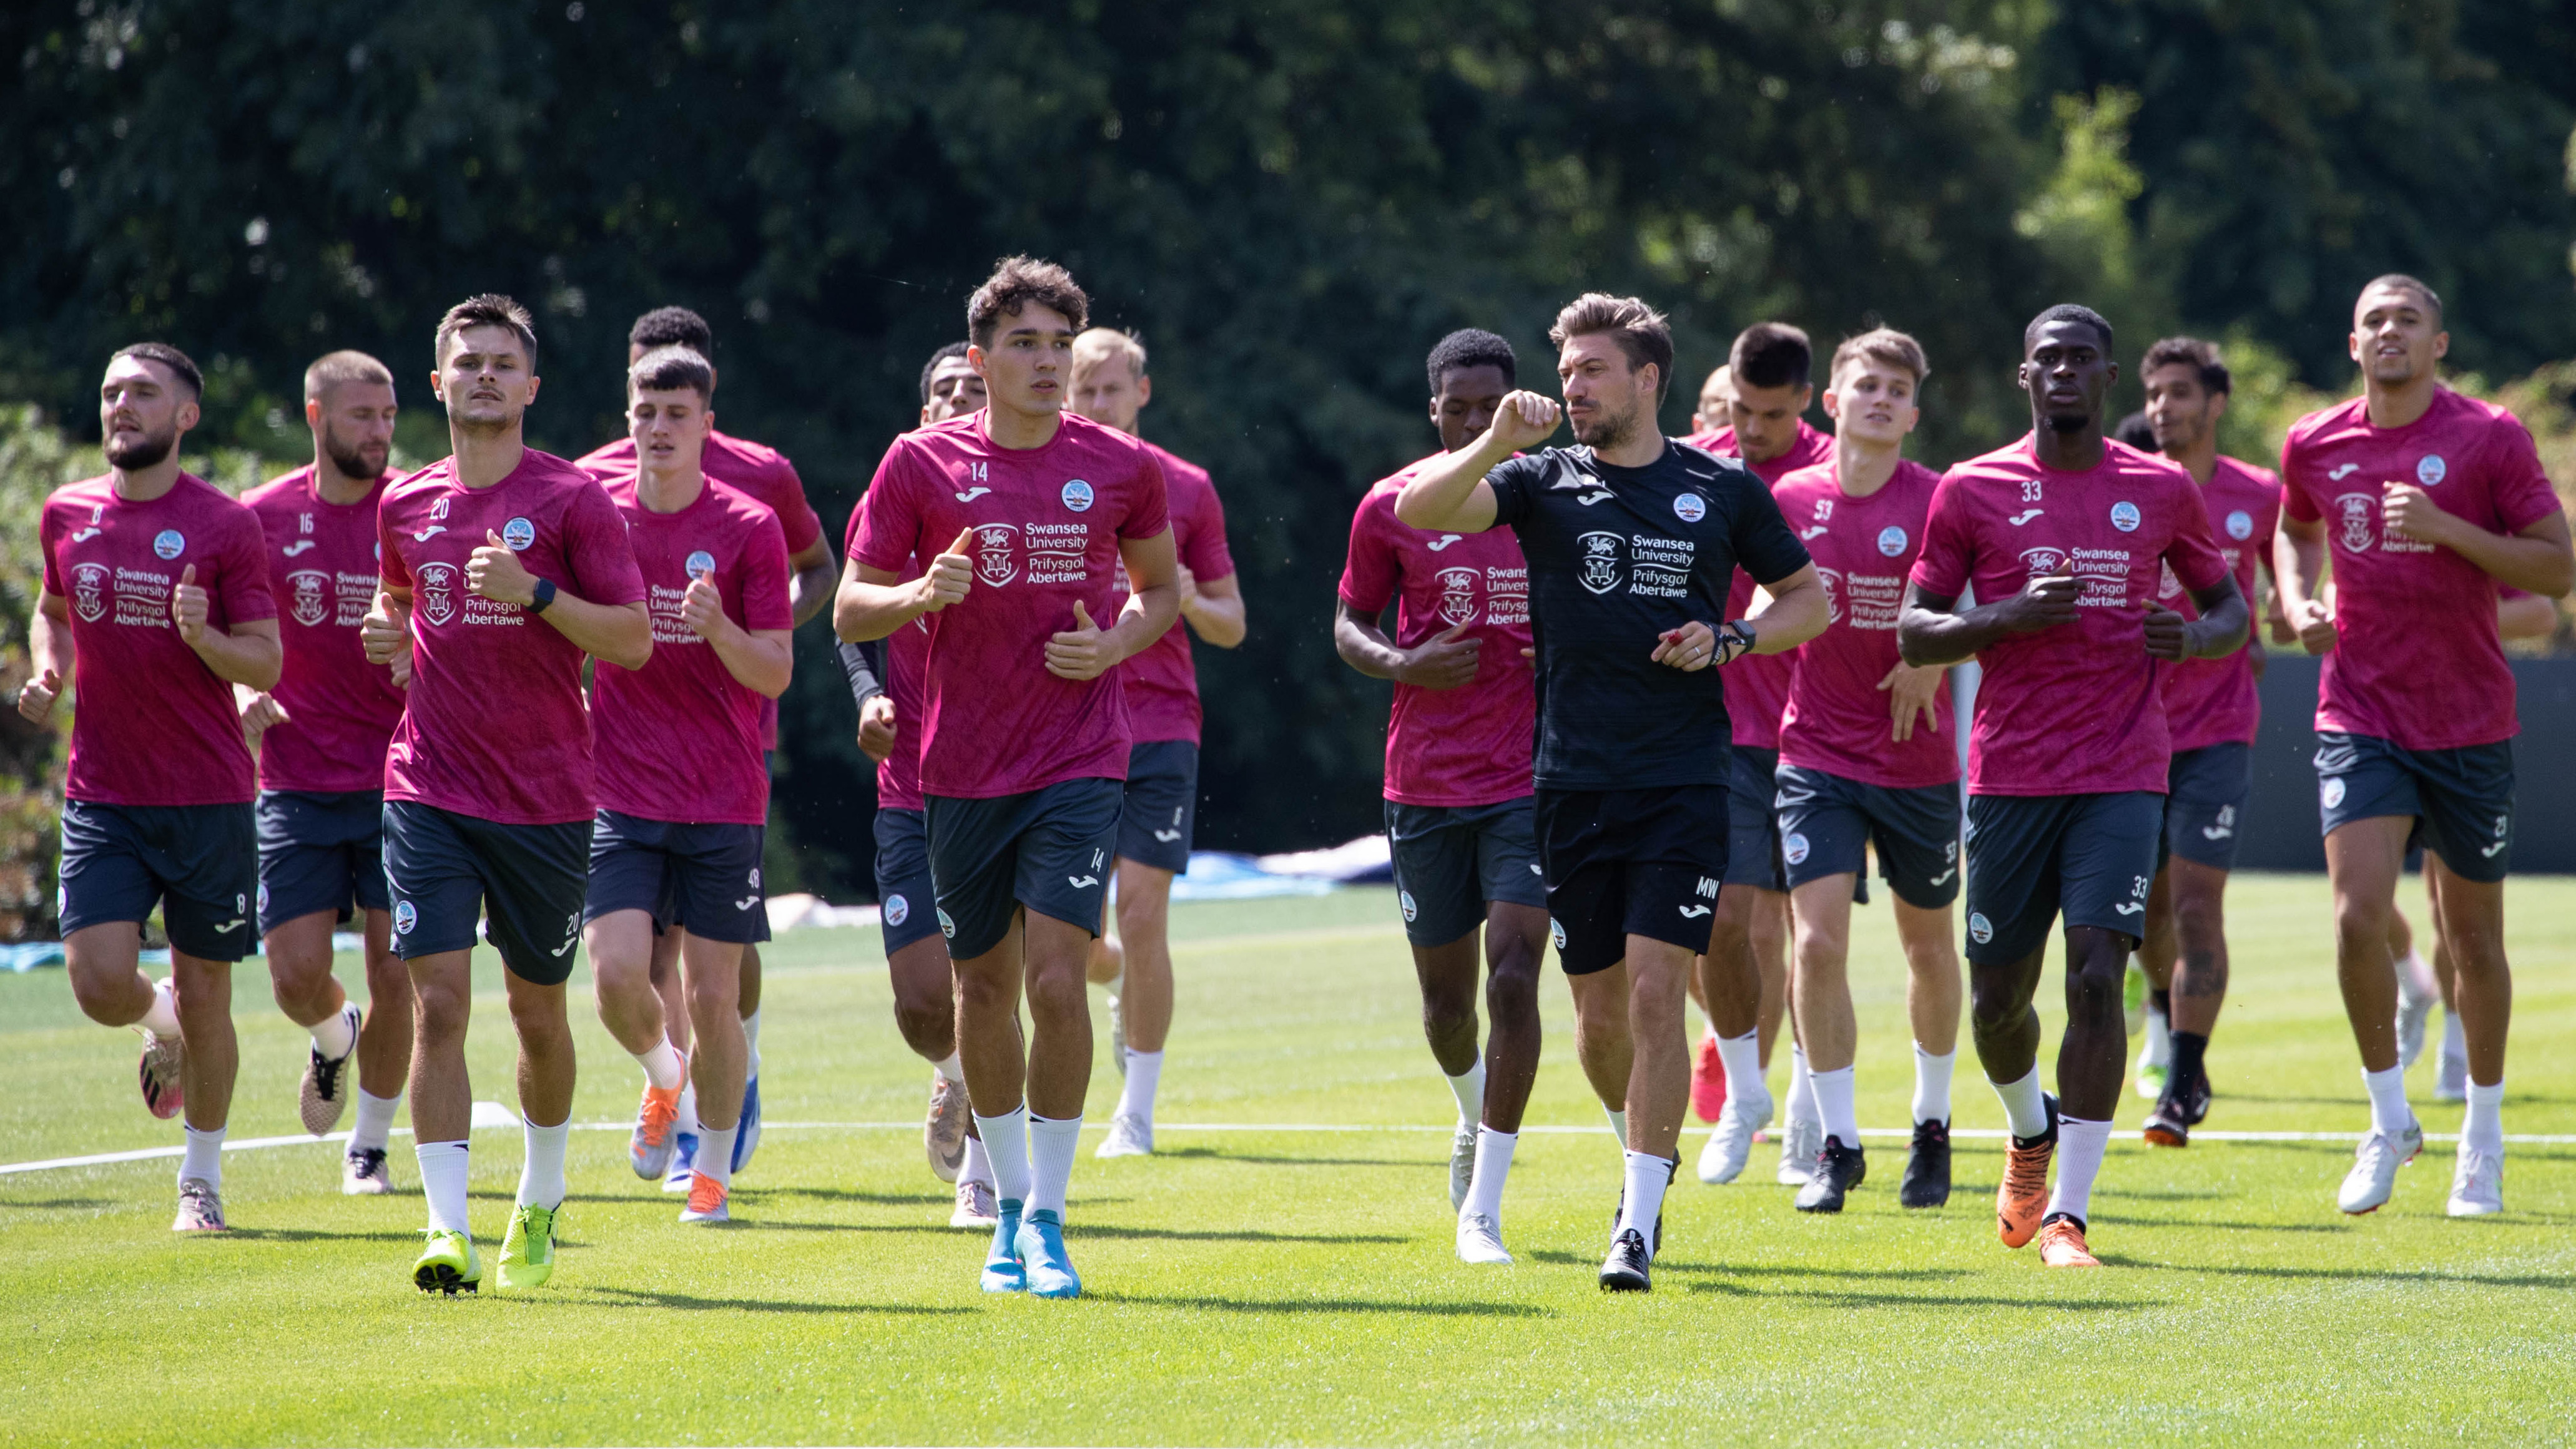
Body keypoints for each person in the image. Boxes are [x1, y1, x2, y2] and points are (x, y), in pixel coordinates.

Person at [1395, 292, 1827, 1292]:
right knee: (1595, 1017)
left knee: (1651, 990)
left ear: (1645, 380)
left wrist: (1731, 637)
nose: (1572, 386)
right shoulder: (1541, 479)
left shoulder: (1719, 489)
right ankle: (1643, 1150)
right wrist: (1497, 437)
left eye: (1590, 369)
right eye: (1567, 368)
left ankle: (1635, 1222)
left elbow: (1810, 599)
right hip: (1568, 783)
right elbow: (1424, 508)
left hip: (1682, 780)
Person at [838, 257, 1180, 1300]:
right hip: (955, 768)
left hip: (1078, 759)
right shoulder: (917, 463)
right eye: (1025, 344)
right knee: (978, 988)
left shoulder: (1118, 465)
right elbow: (851, 606)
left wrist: (1115, 646)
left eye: (1058, 344)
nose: (1045, 363)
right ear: (981, 359)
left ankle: (1046, 1218)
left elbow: (1160, 590)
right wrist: (917, 592)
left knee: (1052, 979)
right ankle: (1000, 1211)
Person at [1898, 303, 2246, 1270]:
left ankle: (2071, 1215)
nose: (2061, 372)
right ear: (2025, 378)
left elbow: (2226, 609)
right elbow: (1914, 629)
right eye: (2045, 358)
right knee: (1996, 1003)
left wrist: (2195, 636)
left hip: (2124, 772)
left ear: (2106, 379)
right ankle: (2027, 1130)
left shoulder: (2159, 489)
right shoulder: (1972, 488)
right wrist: (2004, 614)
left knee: (2097, 974)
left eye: (2079, 359)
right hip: (2008, 775)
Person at [363, 295, 651, 1293]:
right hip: (427, 787)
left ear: (531, 387)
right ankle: (447, 1230)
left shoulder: (576, 502)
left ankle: (540, 1194)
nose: (483, 374)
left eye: (502, 363)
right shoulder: (404, 501)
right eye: (466, 361)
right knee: (437, 1003)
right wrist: (385, 630)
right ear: (438, 383)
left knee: (537, 1014)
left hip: (547, 798)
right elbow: (397, 596)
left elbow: (634, 638)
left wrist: (533, 591)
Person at [2272, 275, 2572, 1218]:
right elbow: (2293, 533)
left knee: (2470, 940)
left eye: (2408, 319)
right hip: (2357, 712)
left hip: (2468, 722)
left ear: (2438, 343)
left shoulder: (2487, 436)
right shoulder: (2313, 441)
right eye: (2373, 320)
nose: (2389, 331)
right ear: (2350, 342)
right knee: (2356, 918)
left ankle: (2479, 1142)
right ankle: (2388, 1118)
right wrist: (2296, 602)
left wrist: (2446, 529)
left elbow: (2557, 567)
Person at [22, 343, 280, 1232]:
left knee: (216, 993)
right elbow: (52, 609)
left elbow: (266, 655)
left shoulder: (225, 525)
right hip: (105, 793)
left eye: (142, 392)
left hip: (209, 795)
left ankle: (200, 1180)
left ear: (185, 416)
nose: (120, 405)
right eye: (110, 393)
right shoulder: (68, 511)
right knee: (98, 982)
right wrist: (49, 669)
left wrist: (207, 639)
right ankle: (157, 1015)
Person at [576, 306, 835, 1187]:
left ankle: (713, 1166)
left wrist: (728, 628)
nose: (655, 426)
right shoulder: (592, 502)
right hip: (616, 780)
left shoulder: (752, 510)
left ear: (706, 416)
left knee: (709, 987)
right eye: (643, 409)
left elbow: (776, 665)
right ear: (627, 409)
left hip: (726, 779)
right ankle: (666, 1078)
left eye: (674, 411)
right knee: (619, 973)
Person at [1335, 327, 1553, 1264]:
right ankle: (1470, 1111)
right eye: (1456, 407)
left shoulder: (1555, 499)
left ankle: (1485, 1208)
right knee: (1446, 1004)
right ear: (1435, 410)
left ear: (1516, 406)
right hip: (1422, 780)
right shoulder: (1392, 505)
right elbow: (1349, 622)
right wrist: (1404, 663)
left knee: (1514, 970)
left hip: (1531, 778)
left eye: (1489, 407)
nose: (1474, 420)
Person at [1768, 328, 1963, 1212]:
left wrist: (1932, 652)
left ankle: (1930, 1124)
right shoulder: (1787, 495)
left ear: (1913, 413)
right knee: (1814, 941)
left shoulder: (1940, 498)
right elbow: (1755, 601)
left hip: (1916, 760)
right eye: (1865, 384)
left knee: (1926, 945)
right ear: (1831, 402)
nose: (1880, 397)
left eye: (1896, 388)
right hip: (1813, 751)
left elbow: (1979, 597)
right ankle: (1837, 1145)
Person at [1067, 327, 1247, 1158]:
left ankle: (1134, 1112)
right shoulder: (1046, 478)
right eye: (1084, 389)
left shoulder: (1186, 487)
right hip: (1062, 724)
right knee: (1069, 933)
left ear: (1143, 390)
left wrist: (1168, 589)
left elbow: (1230, 621)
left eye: (1112, 388)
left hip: (1160, 723)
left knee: (1141, 916)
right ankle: (1111, 988)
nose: (1098, 403)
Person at [238, 351, 414, 1194]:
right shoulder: (259, 518)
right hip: (298, 777)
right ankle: (334, 1033)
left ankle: (370, 1147)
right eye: (360, 417)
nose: (379, 432)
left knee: (398, 970)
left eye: (387, 415)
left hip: (407, 778)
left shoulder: (418, 509)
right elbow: (228, 631)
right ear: (315, 416)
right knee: (294, 975)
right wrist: (242, 686)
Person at [836, 341, 1003, 1230]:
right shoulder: (894, 493)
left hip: (1010, 780)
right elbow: (849, 623)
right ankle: (954, 1073)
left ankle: (982, 1172)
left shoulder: (1028, 489)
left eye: (969, 390)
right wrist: (869, 697)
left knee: (992, 982)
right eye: (940, 390)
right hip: (910, 784)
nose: (953, 401)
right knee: (921, 1004)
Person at [1689, 322, 1836, 1188]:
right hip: (1720, 733)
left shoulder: (1831, 470)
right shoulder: (1697, 465)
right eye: (1739, 409)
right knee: (1724, 923)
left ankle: (1805, 1119)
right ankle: (1746, 1093)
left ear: (1804, 403)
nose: (1749, 429)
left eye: (1770, 414)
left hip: (1818, 735)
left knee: (1804, 939)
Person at [2125, 337, 2281, 1147]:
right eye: (2153, 393)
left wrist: (2283, 614)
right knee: (2146, 912)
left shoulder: (2258, 495)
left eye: (2179, 393)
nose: (2163, 407)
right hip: (2130, 728)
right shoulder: (2128, 488)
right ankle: (2161, 1012)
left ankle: (2182, 1079)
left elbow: (2286, 573)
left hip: (2217, 729)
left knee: (2193, 903)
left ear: (2214, 403)